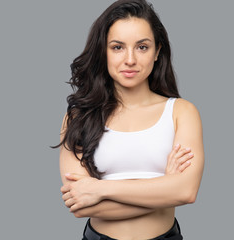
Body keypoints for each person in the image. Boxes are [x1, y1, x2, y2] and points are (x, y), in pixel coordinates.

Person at [54, 0, 204, 239]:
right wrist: (164, 188)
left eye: (142, 47)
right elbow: (81, 205)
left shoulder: (181, 112)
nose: (130, 59)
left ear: (157, 52)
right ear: (103, 51)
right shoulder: (78, 117)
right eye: (117, 47)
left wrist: (101, 188)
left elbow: (186, 191)